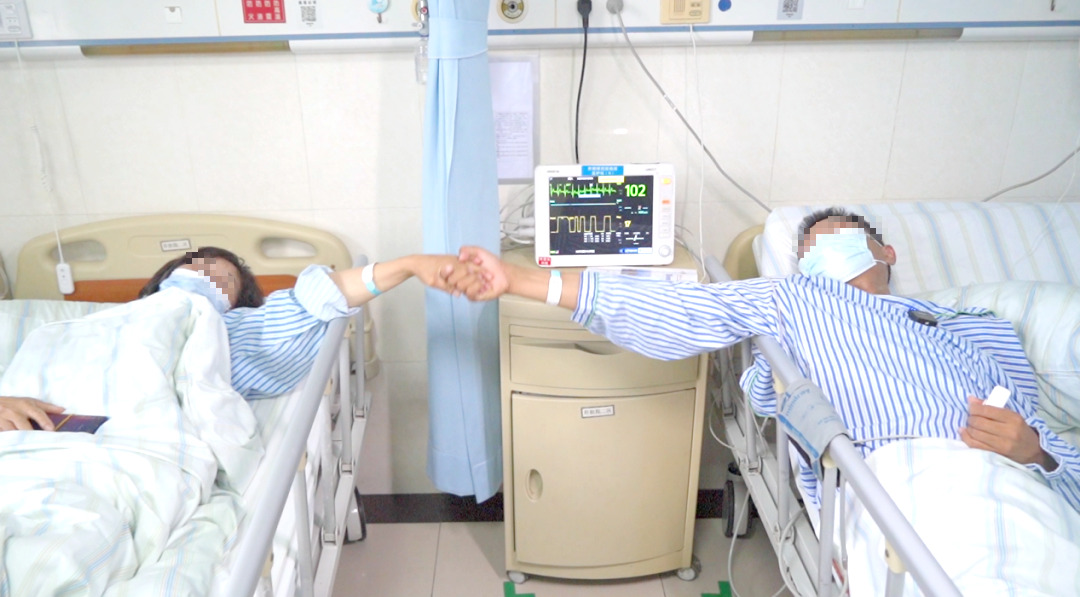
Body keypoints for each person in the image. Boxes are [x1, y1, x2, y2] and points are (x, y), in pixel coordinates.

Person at [445, 207, 1080, 513]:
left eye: (833, 237)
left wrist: (1038, 454)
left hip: (1018, 483)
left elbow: (1053, 446)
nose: (816, 253)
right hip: (903, 490)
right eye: (807, 251)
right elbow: (676, 313)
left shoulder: (975, 326)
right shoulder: (794, 297)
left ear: (885, 252)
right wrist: (523, 281)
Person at [1, 246, 482, 430]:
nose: (205, 277)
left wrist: (409, 265)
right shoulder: (66, 327)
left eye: (223, 280)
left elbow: (314, 299)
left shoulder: (222, 331)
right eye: (194, 267)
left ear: (235, 306)